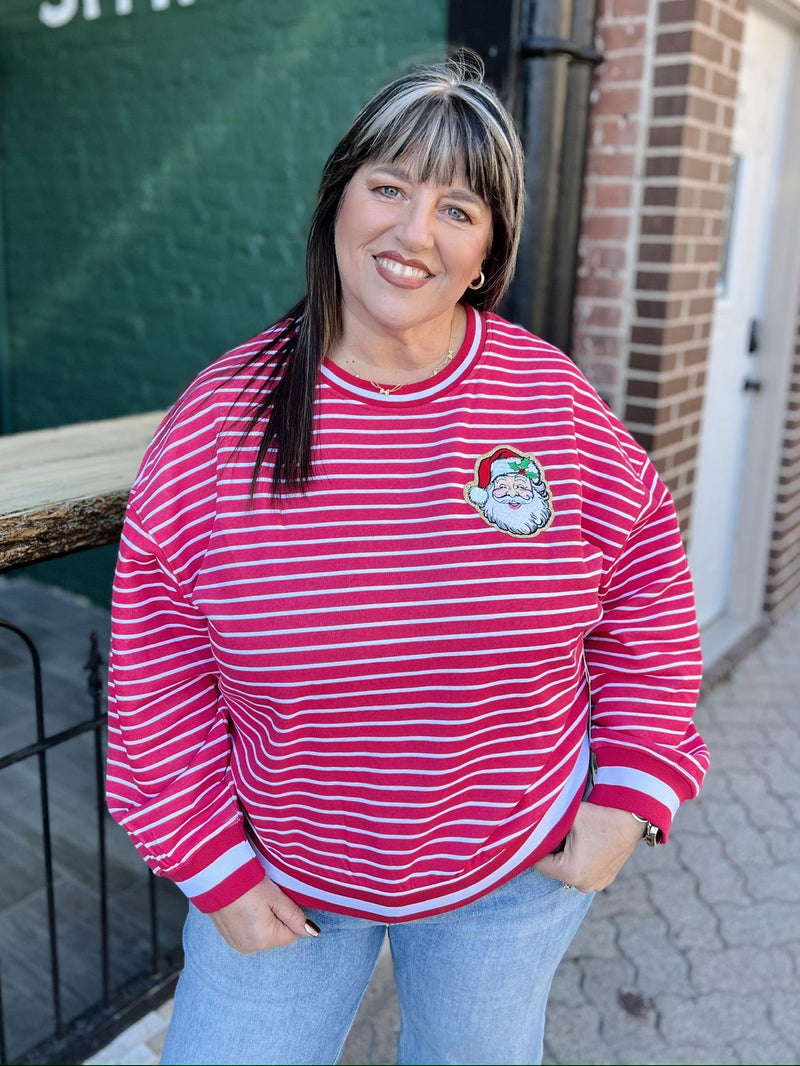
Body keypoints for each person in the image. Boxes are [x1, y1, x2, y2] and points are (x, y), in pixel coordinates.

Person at [106, 50, 709, 1066]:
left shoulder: (546, 405)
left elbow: (645, 576)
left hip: (512, 866)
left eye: (456, 209)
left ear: (485, 251)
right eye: (387, 187)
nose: (411, 232)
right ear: (337, 200)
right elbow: (157, 668)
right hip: (280, 874)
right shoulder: (221, 419)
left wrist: (631, 784)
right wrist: (210, 863)